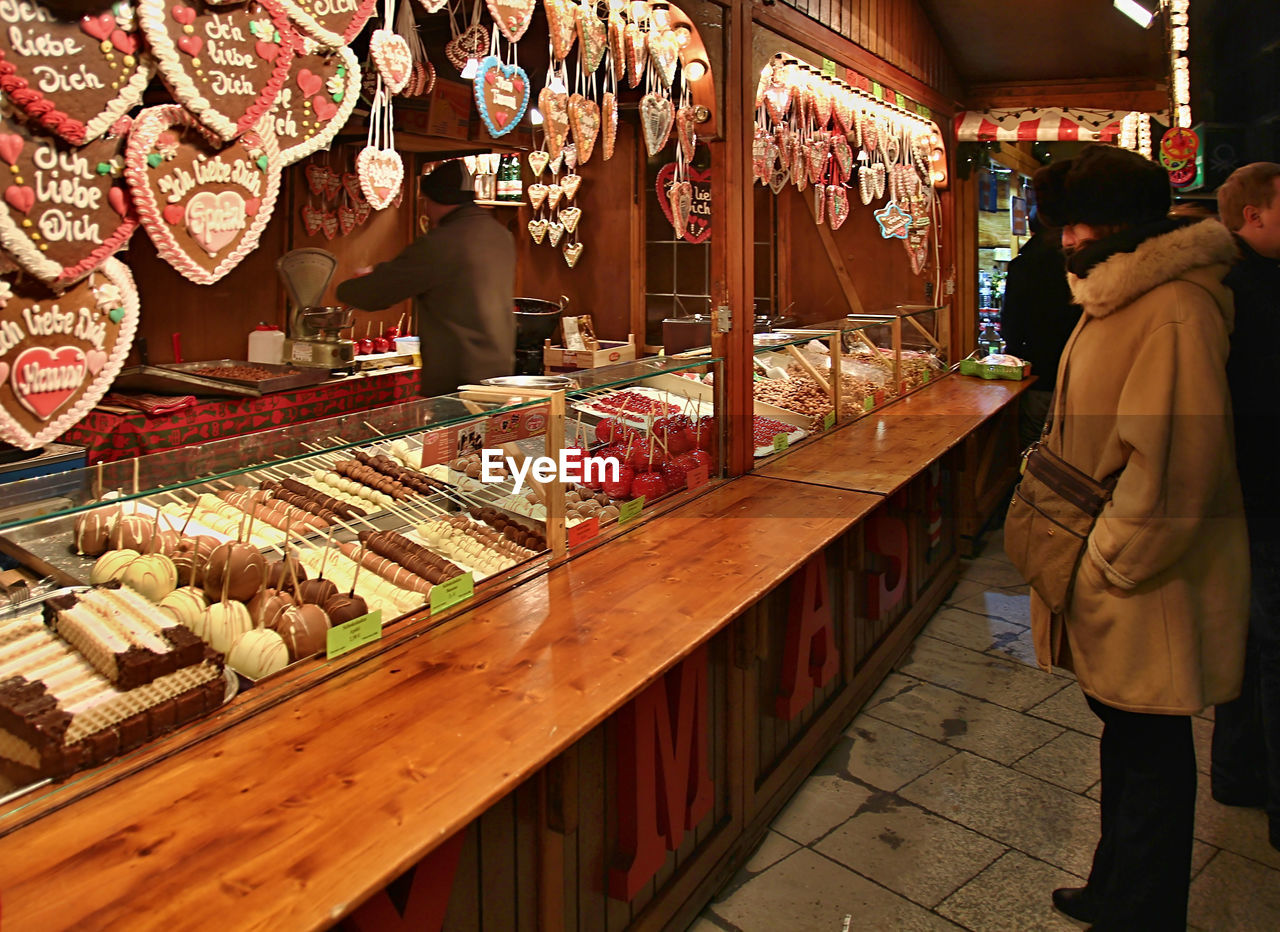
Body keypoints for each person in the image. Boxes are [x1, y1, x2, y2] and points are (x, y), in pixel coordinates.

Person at [1021, 144, 1248, 930]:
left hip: (1145, 574)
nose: (1065, 241)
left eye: (1073, 224)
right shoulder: (1124, 291)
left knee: (1151, 753)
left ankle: (1144, 911)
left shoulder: (1171, 306)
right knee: (1127, 739)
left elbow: (1180, 470)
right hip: (1115, 560)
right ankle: (1114, 881)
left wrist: (1108, 564)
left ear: (1111, 224)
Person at [1211, 161, 1280, 852]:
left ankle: (1236, 771)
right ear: (1253, 214)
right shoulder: (1230, 289)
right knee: (1267, 642)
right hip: (1257, 491)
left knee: (1250, 638)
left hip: (1247, 490)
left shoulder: (1227, 282)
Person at [336, 160, 516, 396]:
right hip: (499, 369)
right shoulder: (499, 234)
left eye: (426, 202)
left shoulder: (443, 242)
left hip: (458, 378)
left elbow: (377, 292)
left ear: (435, 201)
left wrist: (347, 288)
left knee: (455, 434)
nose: (426, 210)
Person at [999, 208, 1082, 447]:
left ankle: (1031, 482)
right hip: (1077, 366)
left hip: (1038, 368)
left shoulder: (1023, 266)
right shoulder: (1079, 263)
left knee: (1035, 437)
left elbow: (1011, 322)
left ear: (1032, 228)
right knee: (1071, 440)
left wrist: (1014, 358)